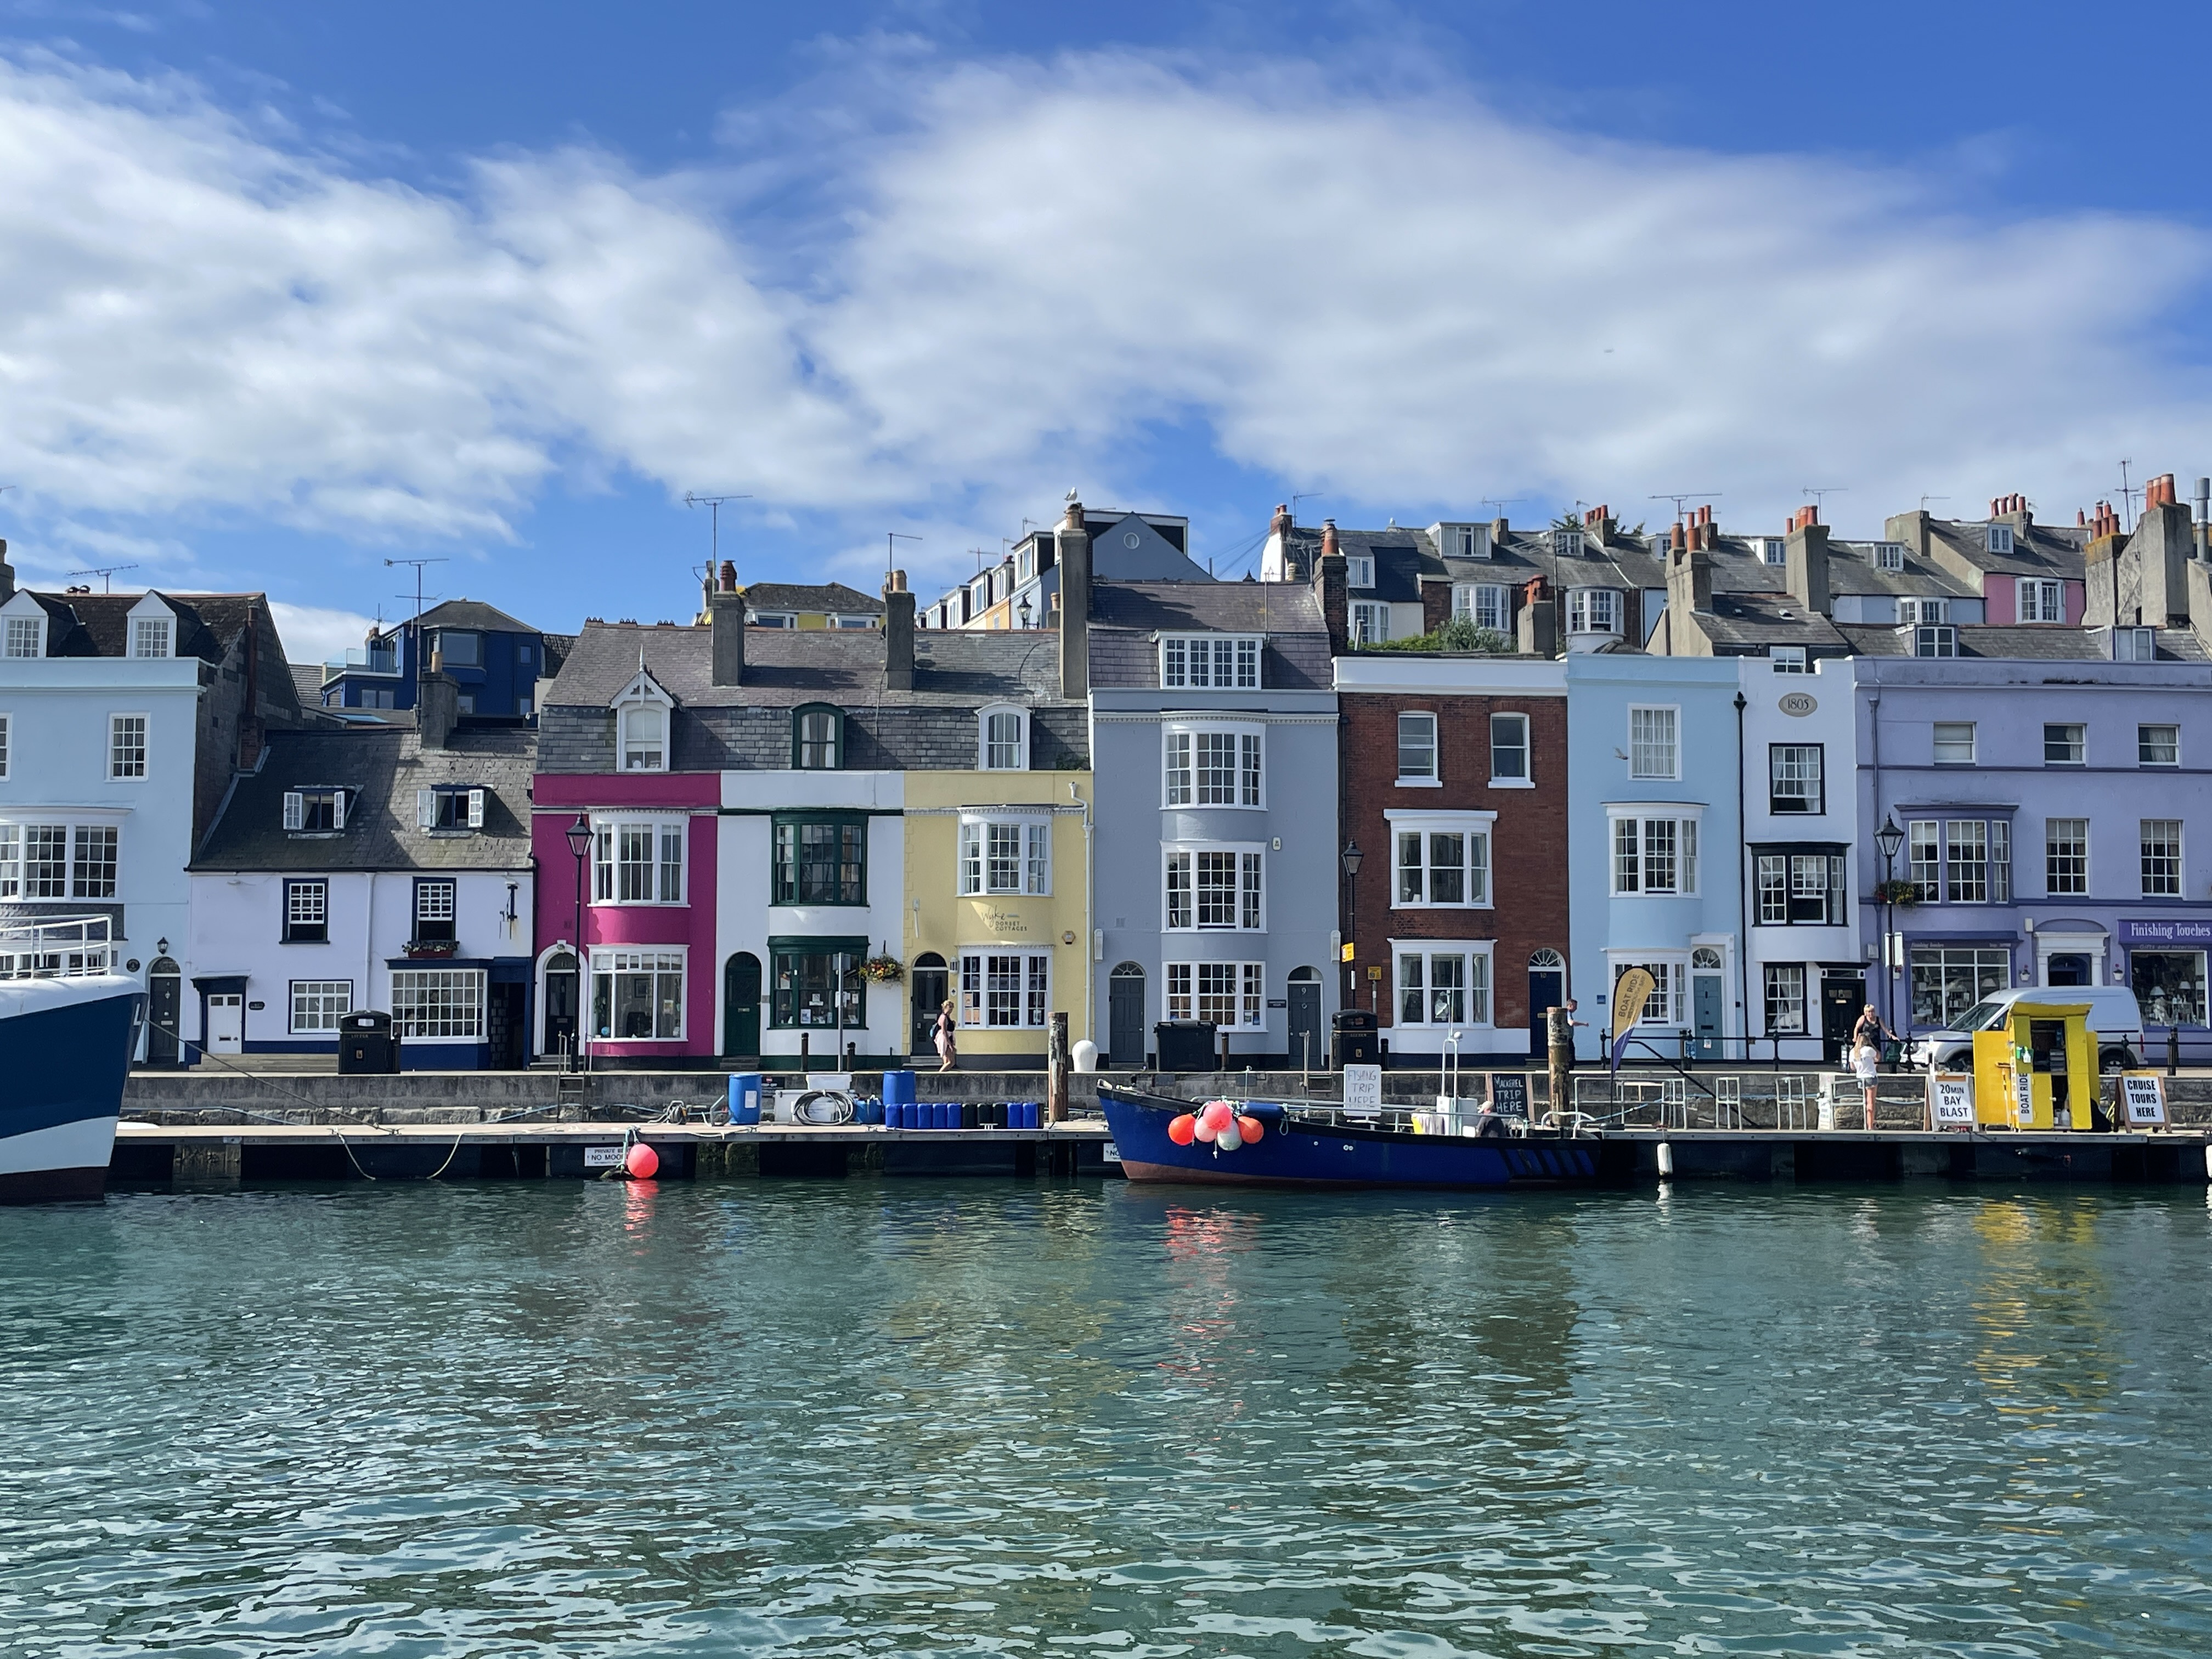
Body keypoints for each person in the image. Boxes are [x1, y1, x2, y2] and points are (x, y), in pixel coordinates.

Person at [933, 998, 958, 1072]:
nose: (951, 1010)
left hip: (948, 1039)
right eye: (950, 1008)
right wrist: (950, 1045)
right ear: (945, 1007)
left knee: (946, 1062)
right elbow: (944, 1032)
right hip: (945, 1040)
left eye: (952, 1009)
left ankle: (942, 1077)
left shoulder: (947, 1017)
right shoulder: (943, 1017)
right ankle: (938, 1075)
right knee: (951, 1062)